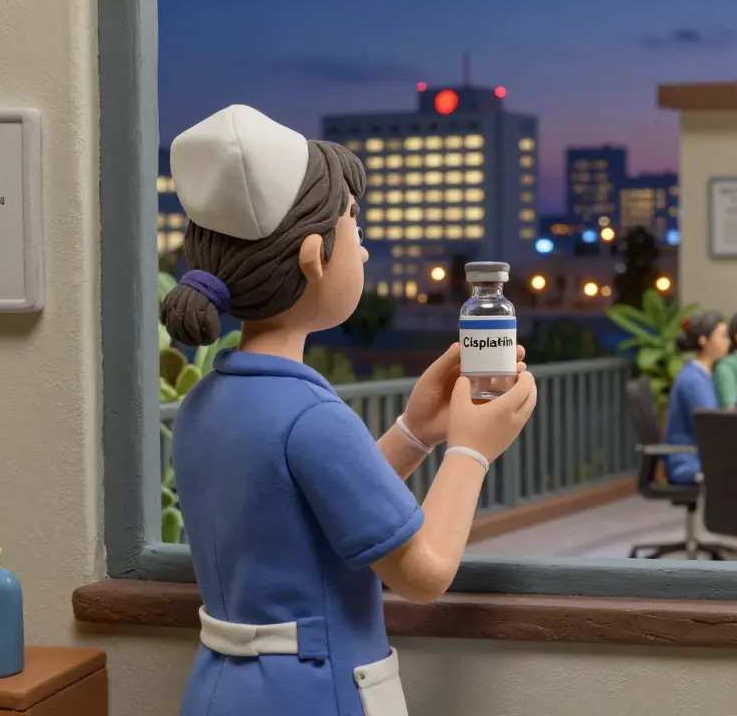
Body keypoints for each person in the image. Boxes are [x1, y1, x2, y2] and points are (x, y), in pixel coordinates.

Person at [162, 105, 538, 716]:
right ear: (315, 257)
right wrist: (471, 449)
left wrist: (416, 432)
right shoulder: (311, 414)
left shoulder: (207, 399)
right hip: (314, 692)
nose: (362, 253)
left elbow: (313, 511)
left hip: (216, 690)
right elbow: (423, 574)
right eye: (355, 231)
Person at [663, 311, 731, 485]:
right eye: (722, 336)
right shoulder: (694, 380)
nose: (728, 342)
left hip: (699, 456)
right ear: (703, 340)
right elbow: (710, 427)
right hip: (690, 462)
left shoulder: (701, 374)